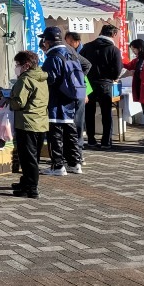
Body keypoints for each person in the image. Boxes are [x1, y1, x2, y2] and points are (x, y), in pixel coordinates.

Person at [39, 26, 86, 175]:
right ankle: (74, 163)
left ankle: (58, 166)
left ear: (48, 41)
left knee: (55, 133)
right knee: (70, 131)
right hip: (71, 98)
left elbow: (49, 79)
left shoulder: (53, 57)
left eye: (44, 40)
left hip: (56, 100)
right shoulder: (70, 52)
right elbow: (85, 65)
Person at [9, 50, 49, 199]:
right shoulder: (41, 77)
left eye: (18, 64)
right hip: (41, 122)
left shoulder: (25, 80)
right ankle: (25, 181)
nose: (16, 67)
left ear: (26, 65)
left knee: (27, 158)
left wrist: (9, 100)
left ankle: (31, 188)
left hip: (27, 123)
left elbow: (19, 103)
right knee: (33, 157)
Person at [80, 24, 123, 149]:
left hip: (88, 83)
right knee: (106, 112)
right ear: (114, 34)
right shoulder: (114, 50)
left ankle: (91, 139)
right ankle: (106, 141)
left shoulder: (87, 47)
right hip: (106, 83)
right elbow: (117, 69)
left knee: (89, 112)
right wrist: (113, 77)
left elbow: (80, 64)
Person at [64, 31, 92, 158]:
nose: (68, 43)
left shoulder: (70, 53)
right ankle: (77, 156)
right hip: (79, 90)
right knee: (77, 124)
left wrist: (77, 81)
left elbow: (86, 65)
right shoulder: (72, 52)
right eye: (67, 41)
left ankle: (76, 156)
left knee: (75, 124)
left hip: (77, 92)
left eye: (70, 41)